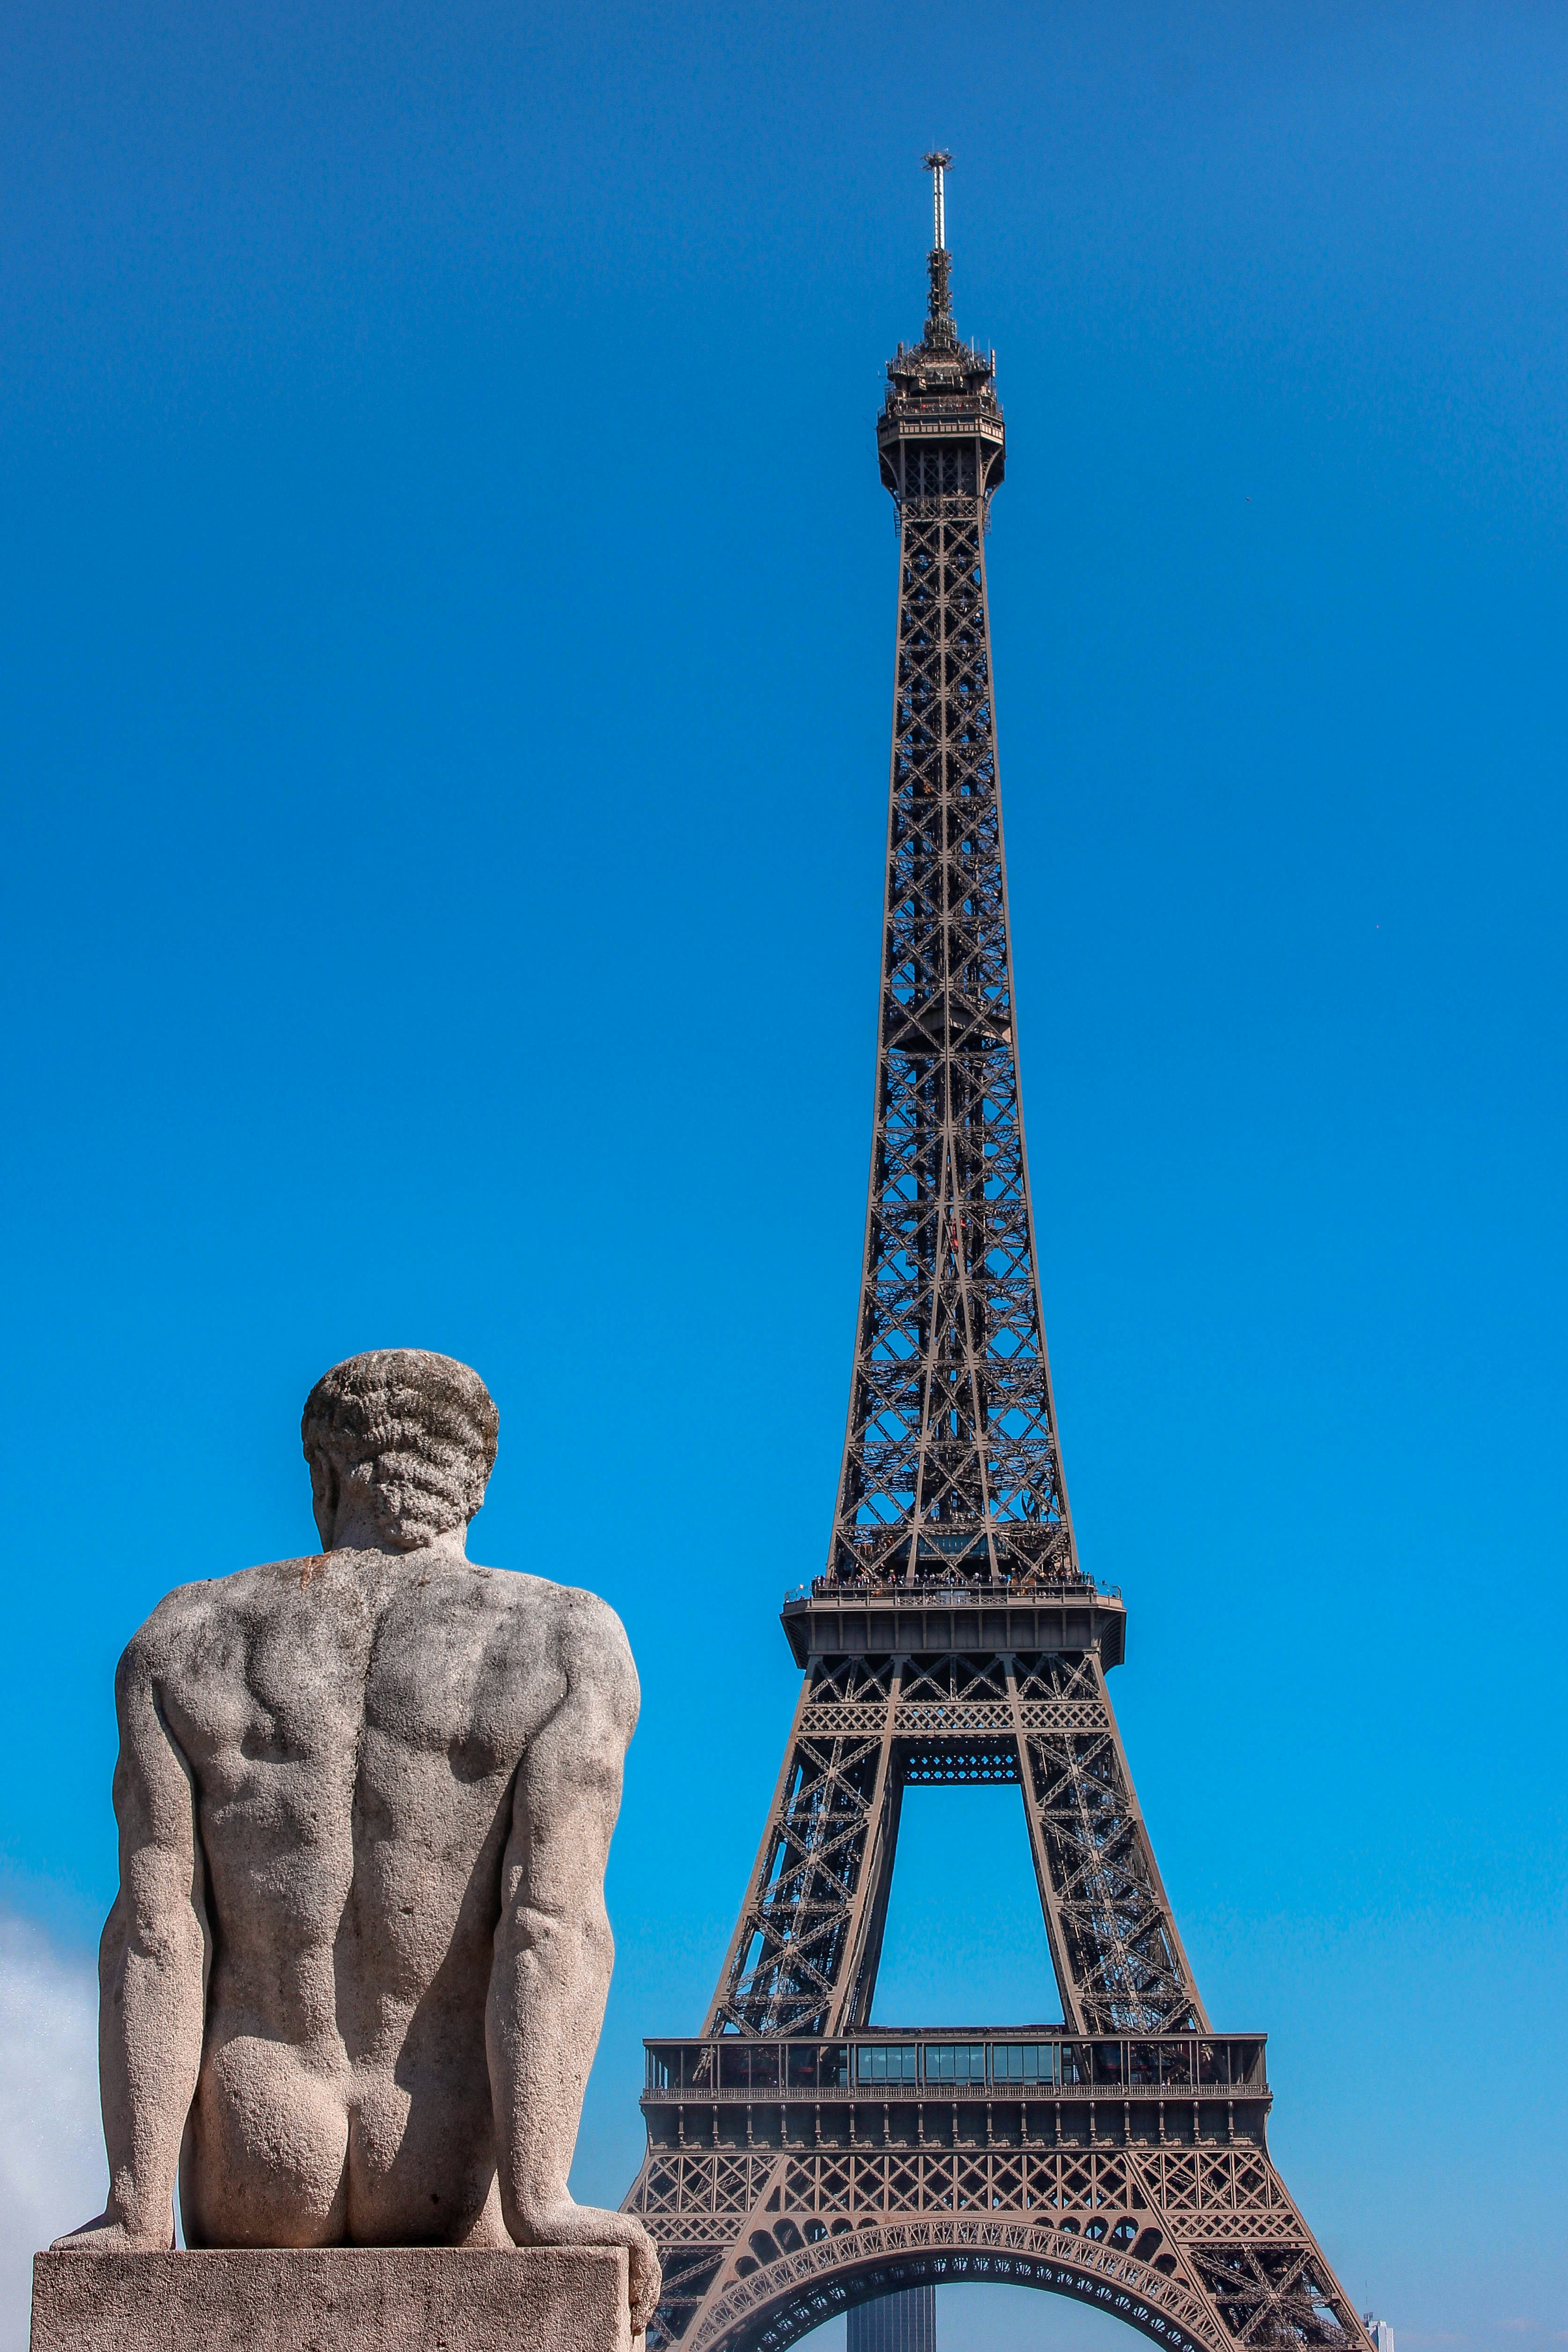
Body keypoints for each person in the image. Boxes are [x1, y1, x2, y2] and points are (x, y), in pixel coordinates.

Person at [54, 1347, 659, 2334]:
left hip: (255, 2156)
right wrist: (542, 2198)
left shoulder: (181, 1636)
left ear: (326, 1474)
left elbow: (156, 1933)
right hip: (447, 2157)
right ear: (475, 1479)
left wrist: (134, 2210)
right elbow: (552, 1926)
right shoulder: (565, 1639)